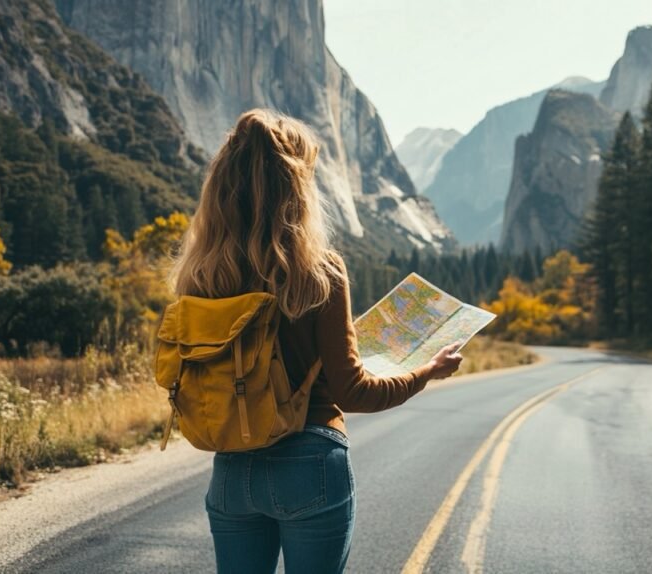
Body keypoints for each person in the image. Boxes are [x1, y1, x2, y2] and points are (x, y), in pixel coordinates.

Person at [168, 108, 463, 574]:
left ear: (223, 187)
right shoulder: (319, 272)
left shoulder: (201, 275)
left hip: (231, 471)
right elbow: (354, 393)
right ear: (296, 189)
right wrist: (427, 370)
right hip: (309, 464)